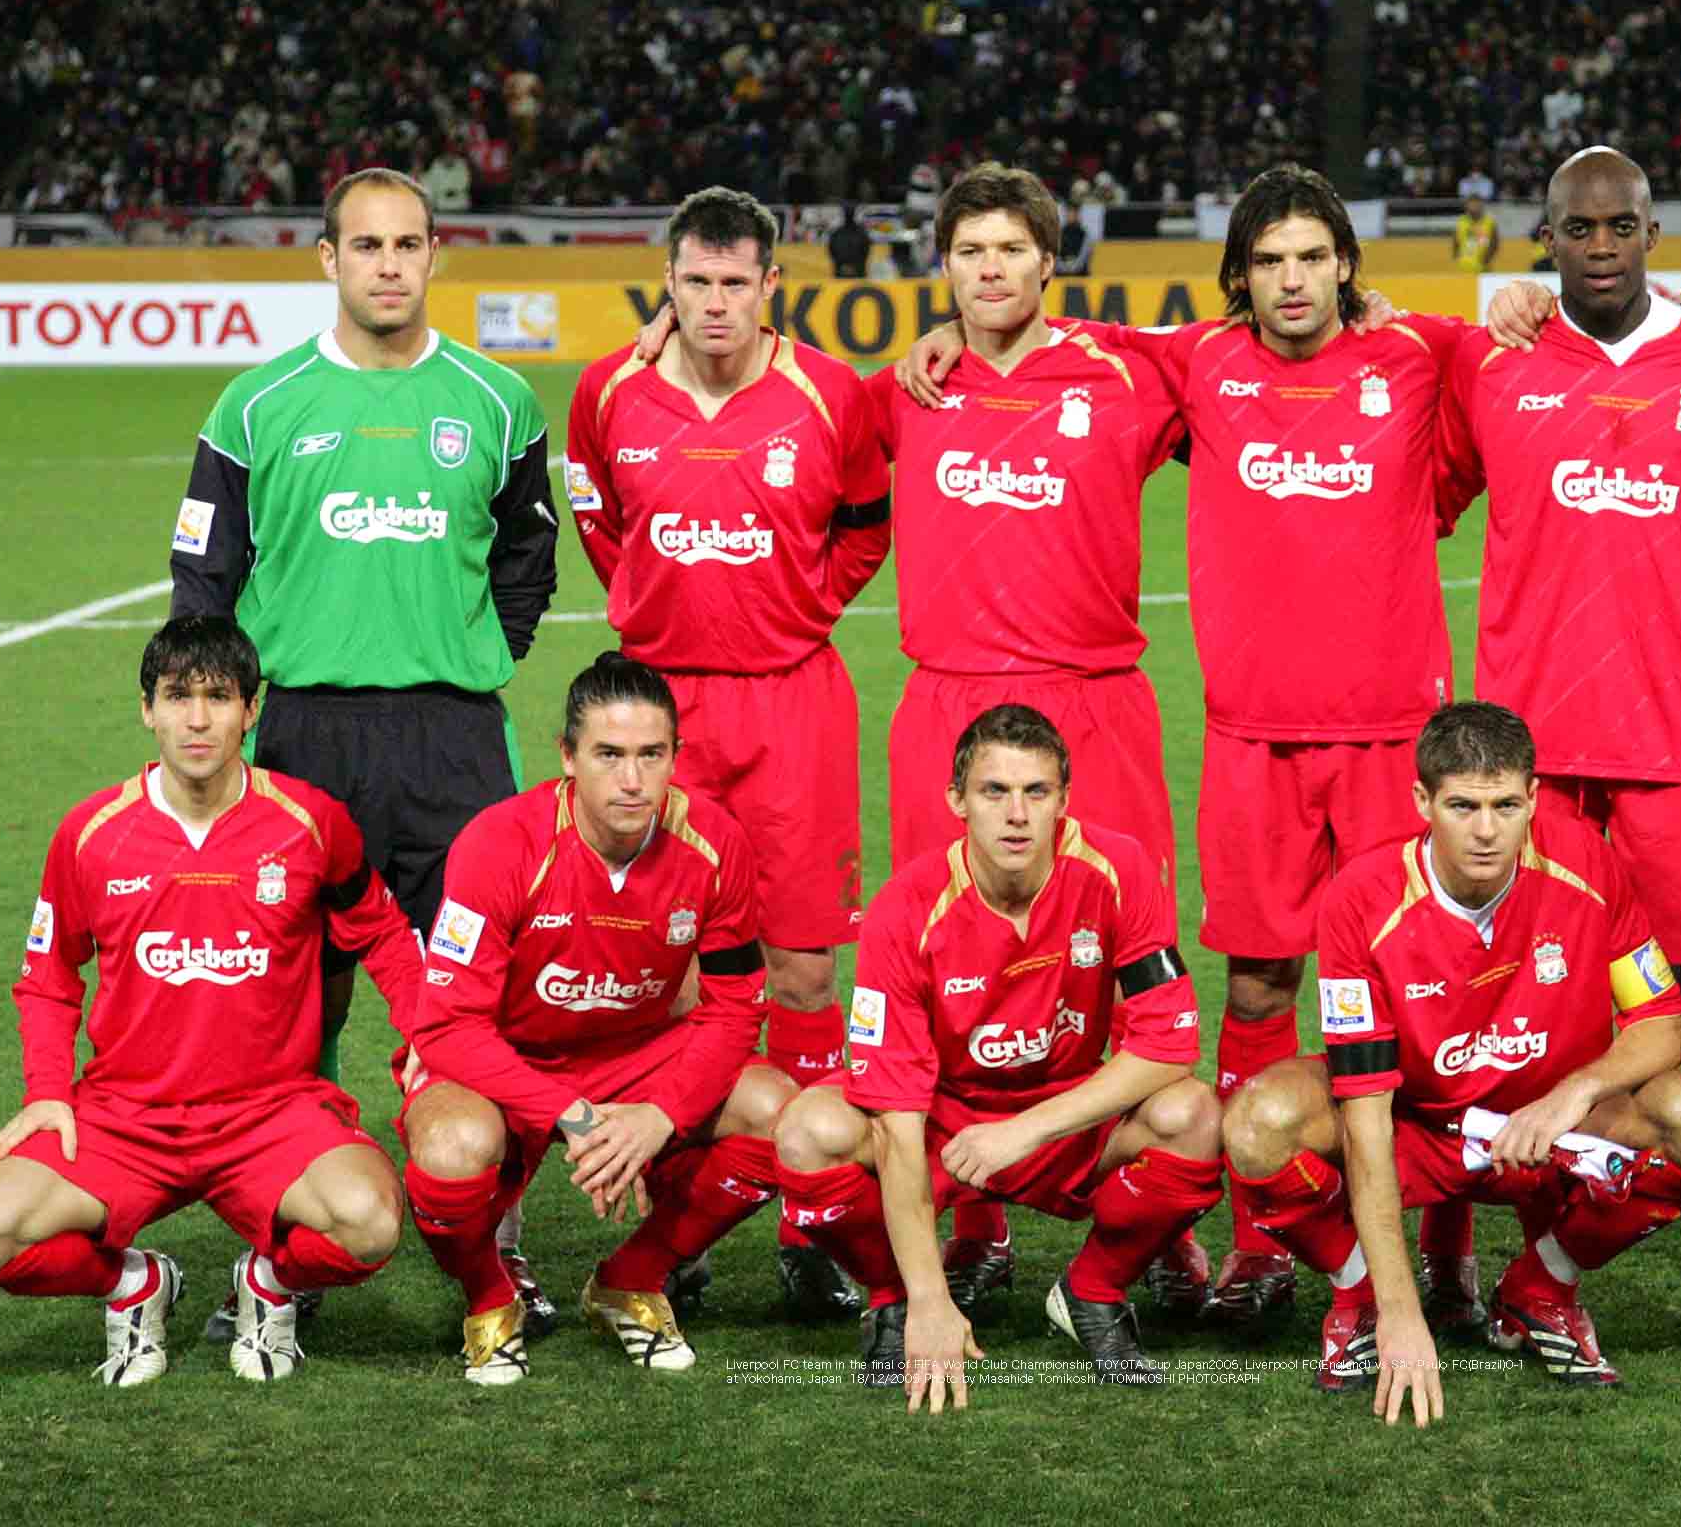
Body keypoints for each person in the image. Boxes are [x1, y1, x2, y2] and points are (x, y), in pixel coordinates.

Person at [897, 165, 1472, 1324]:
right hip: (1251, 736)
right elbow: (1047, 330)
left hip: (1392, 738)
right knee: (1256, 979)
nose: (1294, 279)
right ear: (1239, 279)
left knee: (1424, 994)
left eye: (1315, 257)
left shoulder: (1418, 356)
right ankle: (1255, 1232)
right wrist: (946, 335)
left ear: (1350, 267)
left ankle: (1446, 1245)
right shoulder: (1195, 364)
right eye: (1269, 261)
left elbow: (1523, 339)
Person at [167, 166, 562, 1334]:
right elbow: (204, 580)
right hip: (301, 736)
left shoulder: (497, 400)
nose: (388, 264)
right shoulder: (256, 404)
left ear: (435, 253)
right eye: (365, 245)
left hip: (453, 736)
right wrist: (232, 712)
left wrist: (479, 640)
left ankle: (498, 1237)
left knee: (481, 994)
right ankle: (295, 1238)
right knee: (299, 992)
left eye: (407, 244)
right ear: (326, 261)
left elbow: (529, 557)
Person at [1432, 149, 1681, 1332]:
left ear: (1654, 229)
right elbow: (1418, 493)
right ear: (1545, 235)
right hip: (1533, 758)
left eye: (1622, 223)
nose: (1601, 243)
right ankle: (1490, 1251)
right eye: (1577, 228)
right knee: (1527, 995)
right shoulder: (1498, 360)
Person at [859, 162, 1195, 1310]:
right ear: (940, 266)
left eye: (1011, 250)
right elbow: (771, 393)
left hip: (1095, 700)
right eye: (969, 252)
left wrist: (1378, 305)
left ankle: (1158, 1208)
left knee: (1117, 957)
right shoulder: (901, 390)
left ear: (1050, 262)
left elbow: (1263, 346)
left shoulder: (1126, 373)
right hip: (947, 703)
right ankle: (974, 1214)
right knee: (949, 964)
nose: (990, 269)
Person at [566, 186, 890, 1317]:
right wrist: (659, 608)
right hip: (660, 717)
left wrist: (796, 608)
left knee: (803, 967)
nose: (713, 303)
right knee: (677, 971)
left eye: (733, 283)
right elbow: (598, 518)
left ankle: (811, 1214)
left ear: (770, 286)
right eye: (694, 282)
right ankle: (682, 1216)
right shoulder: (609, 389)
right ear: (669, 282)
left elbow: (864, 528)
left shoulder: (829, 395)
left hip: (795, 704)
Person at [0, 618, 424, 1385]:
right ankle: (133, 1284)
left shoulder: (309, 823)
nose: (197, 719)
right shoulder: (90, 835)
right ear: (148, 709)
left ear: (251, 709)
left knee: (367, 1225)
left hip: (270, 1113)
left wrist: (426, 1037)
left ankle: (269, 1281)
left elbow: (386, 936)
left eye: (217, 697)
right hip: (127, 1115)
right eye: (177, 697)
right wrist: (45, 1093)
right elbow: (48, 977)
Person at [1220, 702, 1681, 1408]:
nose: (1487, 830)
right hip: (1420, 1129)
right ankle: (1358, 1292)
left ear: (1533, 799)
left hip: (1547, 1130)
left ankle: (1541, 1286)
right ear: (1423, 800)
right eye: (1462, 806)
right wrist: (1400, 1311)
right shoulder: (1363, 901)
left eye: (1505, 805)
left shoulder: (1586, 862)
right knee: (1257, 1122)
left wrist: (1576, 1092)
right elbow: (1365, 1116)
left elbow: (1666, 1024)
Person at [770, 706, 1225, 1406]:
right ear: (957, 801)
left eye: (1036, 792)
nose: (1017, 814)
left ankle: (1092, 1293)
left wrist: (1026, 1129)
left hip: (1063, 1114)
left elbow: (1168, 1045)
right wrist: (926, 1295)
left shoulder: (1119, 868)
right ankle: (892, 1300)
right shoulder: (904, 909)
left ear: (1063, 801)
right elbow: (895, 1117)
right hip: (943, 1123)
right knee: (809, 1132)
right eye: (994, 792)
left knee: (1193, 1114)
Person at [401, 652, 794, 1383]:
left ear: (676, 756)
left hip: (638, 1052)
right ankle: (491, 1296)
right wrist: (573, 1116)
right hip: (507, 1055)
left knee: (780, 1115)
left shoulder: (716, 845)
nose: (632, 779)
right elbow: (448, 1025)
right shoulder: (501, 843)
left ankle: (632, 1278)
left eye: (652, 755)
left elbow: (736, 1008)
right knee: (452, 1148)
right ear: (568, 757)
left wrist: (661, 1115)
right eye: (608, 755)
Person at [1450, 194, 1499, 273]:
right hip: (1463, 267)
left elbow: (1494, 243)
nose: (1474, 206)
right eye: (1471, 204)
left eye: (1477, 204)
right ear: (1466, 205)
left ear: (1482, 205)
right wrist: (1456, 256)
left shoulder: (1489, 222)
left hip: (1483, 268)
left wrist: (1486, 258)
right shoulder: (1461, 221)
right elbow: (1456, 240)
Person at [827, 203, 872, 278]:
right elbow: (866, 251)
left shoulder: (836, 233)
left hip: (843, 270)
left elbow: (831, 251)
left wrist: (843, 266)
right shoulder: (862, 232)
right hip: (856, 270)